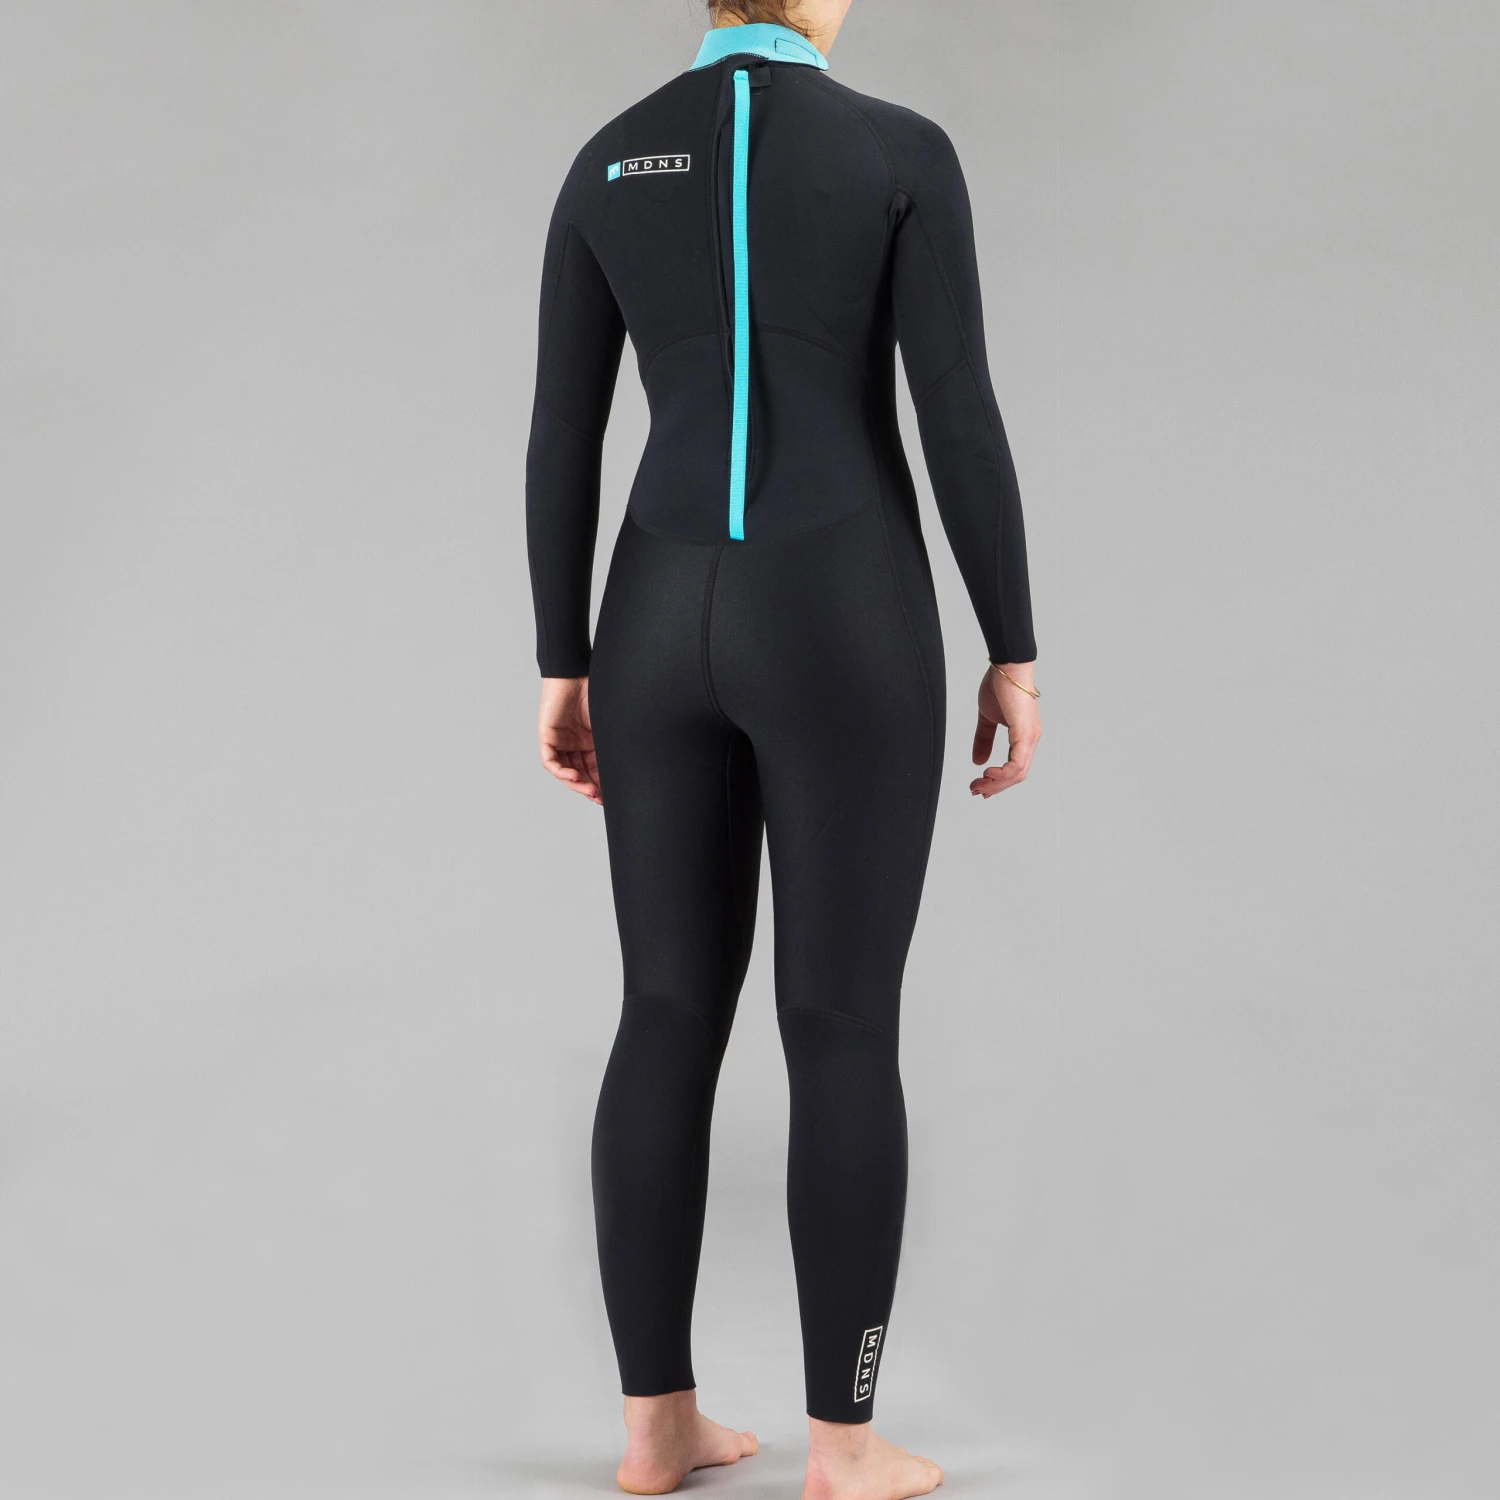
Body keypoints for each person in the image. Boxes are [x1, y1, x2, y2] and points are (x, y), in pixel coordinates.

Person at [525, 0, 1040, 1494]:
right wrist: (1012, 644)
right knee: (841, 1026)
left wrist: (562, 660)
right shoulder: (898, 151)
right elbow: (957, 413)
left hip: (650, 613)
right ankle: (846, 1446)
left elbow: (563, 432)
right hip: (841, 611)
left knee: (663, 1010)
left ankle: (654, 1429)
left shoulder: (608, 156)